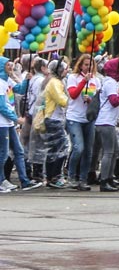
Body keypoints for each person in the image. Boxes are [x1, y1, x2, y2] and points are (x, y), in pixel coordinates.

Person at [0, 56, 41, 192]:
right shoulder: (0, 83)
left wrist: (27, 81)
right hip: (2, 123)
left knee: (18, 151)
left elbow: (20, 89)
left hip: (9, 123)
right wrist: (16, 118)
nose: (11, 67)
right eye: (8, 65)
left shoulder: (8, 80)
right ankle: (1, 180)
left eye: (11, 65)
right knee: (4, 153)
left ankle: (24, 181)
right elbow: (1, 106)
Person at [94, 58, 119, 192]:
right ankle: (104, 179)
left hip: (109, 120)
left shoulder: (111, 82)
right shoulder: (110, 83)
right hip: (105, 121)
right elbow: (114, 101)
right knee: (109, 151)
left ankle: (109, 177)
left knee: (115, 150)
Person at [66, 54, 101, 191]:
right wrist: (83, 82)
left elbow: (99, 101)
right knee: (78, 148)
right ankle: (71, 176)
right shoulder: (73, 78)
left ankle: (83, 179)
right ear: (80, 65)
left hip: (89, 118)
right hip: (75, 117)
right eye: (86, 64)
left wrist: (92, 101)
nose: (88, 67)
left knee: (88, 151)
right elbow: (73, 94)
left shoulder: (96, 81)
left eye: (90, 65)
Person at [42, 59, 71, 189]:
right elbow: (62, 100)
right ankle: (55, 176)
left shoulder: (56, 82)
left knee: (54, 149)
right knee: (62, 148)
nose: (66, 71)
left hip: (54, 118)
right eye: (64, 69)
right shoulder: (55, 83)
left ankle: (50, 176)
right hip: (54, 119)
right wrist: (72, 99)